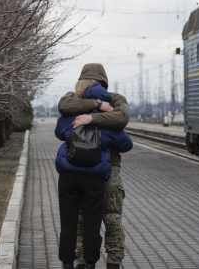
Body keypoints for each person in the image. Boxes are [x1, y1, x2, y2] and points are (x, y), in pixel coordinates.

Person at [55, 79, 133, 269]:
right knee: (100, 219)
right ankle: (100, 262)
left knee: (70, 222)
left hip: (69, 174)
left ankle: (70, 263)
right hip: (98, 175)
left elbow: (59, 132)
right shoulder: (110, 114)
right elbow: (126, 144)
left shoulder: (69, 114)